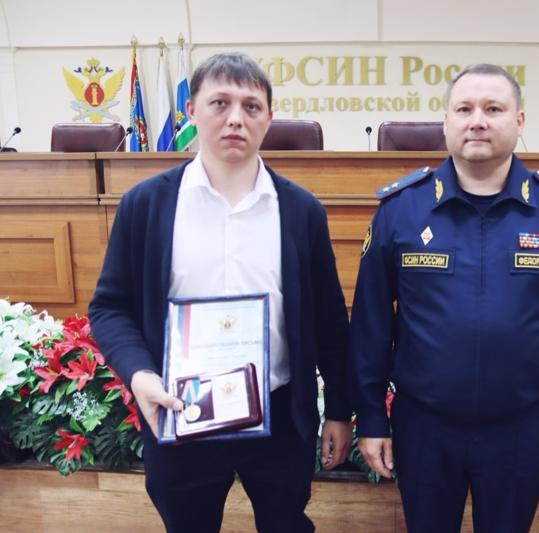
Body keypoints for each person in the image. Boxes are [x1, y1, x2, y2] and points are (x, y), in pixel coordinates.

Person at [89, 52, 352, 533]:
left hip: (278, 415)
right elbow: (109, 307)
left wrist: (338, 409)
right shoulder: (145, 205)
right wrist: (140, 375)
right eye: (220, 103)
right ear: (191, 110)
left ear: (269, 117)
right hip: (180, 414)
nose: (236, 118)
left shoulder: (301, 210)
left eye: (251, 106)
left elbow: (329, 319)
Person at [349, 64, 539, 532]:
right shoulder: (400, 210)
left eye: (493, 109)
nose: (477, 121)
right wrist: (371, 416)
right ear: (446, 121)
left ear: (518, 121)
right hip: (425, 428)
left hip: (518, 430)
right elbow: (371, 325)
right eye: (464, 109)